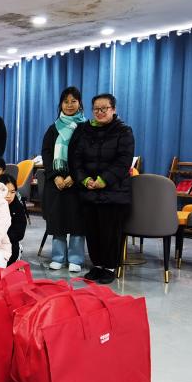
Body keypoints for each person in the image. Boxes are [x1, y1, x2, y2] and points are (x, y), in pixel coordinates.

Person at [69, 93, 134, 284]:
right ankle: (97, 265)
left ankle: (110, 267)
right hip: (88, 190)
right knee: (92, 231)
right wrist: (84, 179)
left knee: (110, 232)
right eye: (96, 109)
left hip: (114, 192)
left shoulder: (124, 131)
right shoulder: (83, 130)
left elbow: (123, 161)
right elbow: (75, 159)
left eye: (104, 108)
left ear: (113, 109)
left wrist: (103, 180)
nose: (100, 112)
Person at [41, 86, 87, 272]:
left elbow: (87, 156)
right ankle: (58, 257)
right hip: (57, 183)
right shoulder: (53, 128)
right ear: (60, 104)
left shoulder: (86, 127)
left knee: (77, 222)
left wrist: (73, 176)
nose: (69, 105)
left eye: (73, 101)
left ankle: (76, 258)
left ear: (80, 104)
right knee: (57, 220)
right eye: (66, 101)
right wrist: (55, 176)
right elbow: (46, 153)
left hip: (77, 183)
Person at [0, 175, 27, 265]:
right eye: (5, 191)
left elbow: (19, 233)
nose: (9, 196)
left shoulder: (17, 207)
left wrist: (3, 239)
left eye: (12, 192)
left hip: (9, 241)